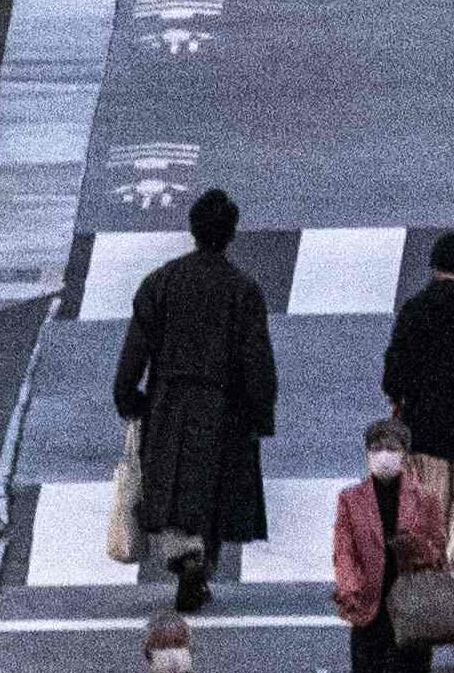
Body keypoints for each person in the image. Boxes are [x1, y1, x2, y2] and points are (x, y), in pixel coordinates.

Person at [110, 191, 280, 610]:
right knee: (216, 488)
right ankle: (202, 566)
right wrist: (261, 412)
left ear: (192, 229)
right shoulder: (243, 290)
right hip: (225, 403)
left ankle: (185, 557)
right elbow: (257, 359)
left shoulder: (161, 282)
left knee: (172, 483)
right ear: (231, 233)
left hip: (169, 398)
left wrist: (127, 394)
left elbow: (137, 347)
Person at [332, 418, 454, 673]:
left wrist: (414, 547)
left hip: (412, 605)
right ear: (367, 454)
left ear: (404, 455)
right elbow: (344, 550)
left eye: (392, 449)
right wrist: (350, 588)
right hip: (369, 606)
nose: (383, 456)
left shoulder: (426, 499)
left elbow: (438, 552)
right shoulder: (350, 500)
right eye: (376, 450)